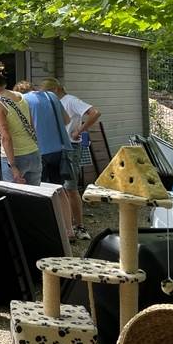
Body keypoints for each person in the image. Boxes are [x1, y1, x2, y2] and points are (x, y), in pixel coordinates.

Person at [41, 77, 102, 240]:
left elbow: (95, 113)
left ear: (56, 90)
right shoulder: (52, 102)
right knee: (57, 188)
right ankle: (64, 225)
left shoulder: (70, 100)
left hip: (69, 148)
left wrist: (80, 130)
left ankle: (79, 225)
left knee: (70, 187)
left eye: (47, 92)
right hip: (55, 147)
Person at [0, 64, 42, 185]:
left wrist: (13, 166)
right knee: (35, 200)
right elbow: (32, 125)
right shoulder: (20, 96)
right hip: (34, 154)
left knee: (14, 202)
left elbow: (6, 136)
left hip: (15, 157)